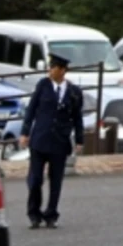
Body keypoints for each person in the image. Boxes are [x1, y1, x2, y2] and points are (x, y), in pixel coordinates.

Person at [18, 53, 84, 229]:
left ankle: (51, 214)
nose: (50, 70)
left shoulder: (74, 92)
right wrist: (25, 132)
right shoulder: (43, 85)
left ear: (62, 70)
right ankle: (34, 213)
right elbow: (31, 109)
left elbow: (77, 117)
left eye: (53, 67)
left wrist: (79, 139)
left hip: (59, 142)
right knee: (35, 179)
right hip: (40, 140)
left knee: (56, 181)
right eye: (50, 66)